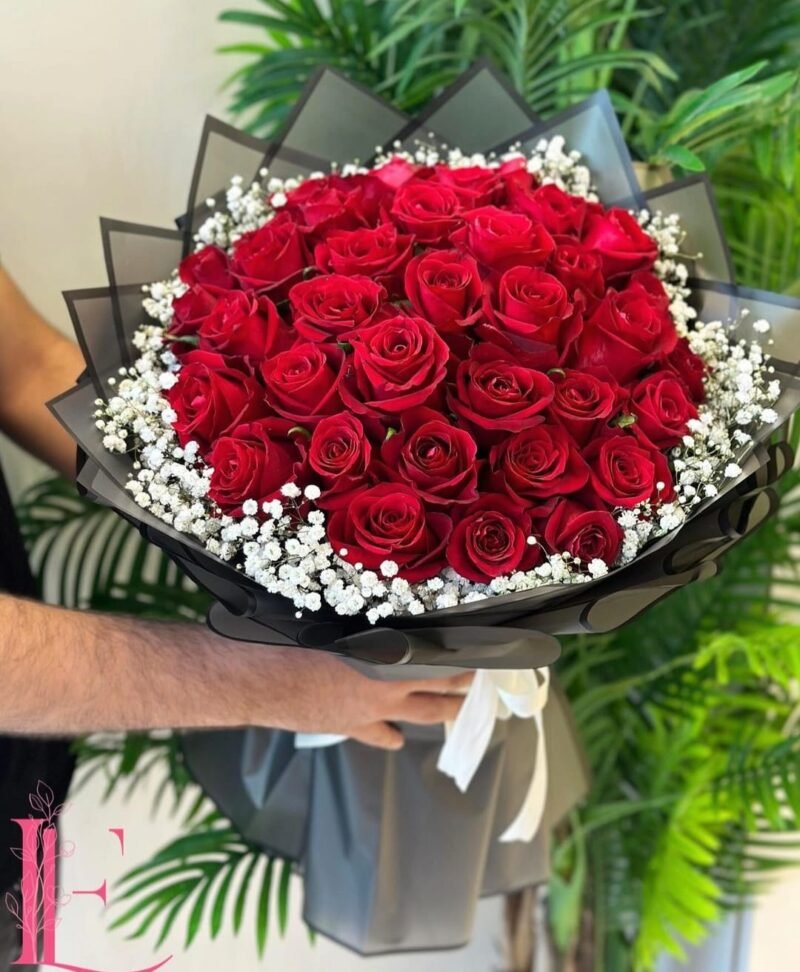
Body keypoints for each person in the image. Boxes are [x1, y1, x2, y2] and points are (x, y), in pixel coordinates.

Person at [0, 264, 469, 968]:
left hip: (25, 786)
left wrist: (241, 496)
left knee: (26, 917)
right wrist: (266, 679)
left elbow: (21, 366)